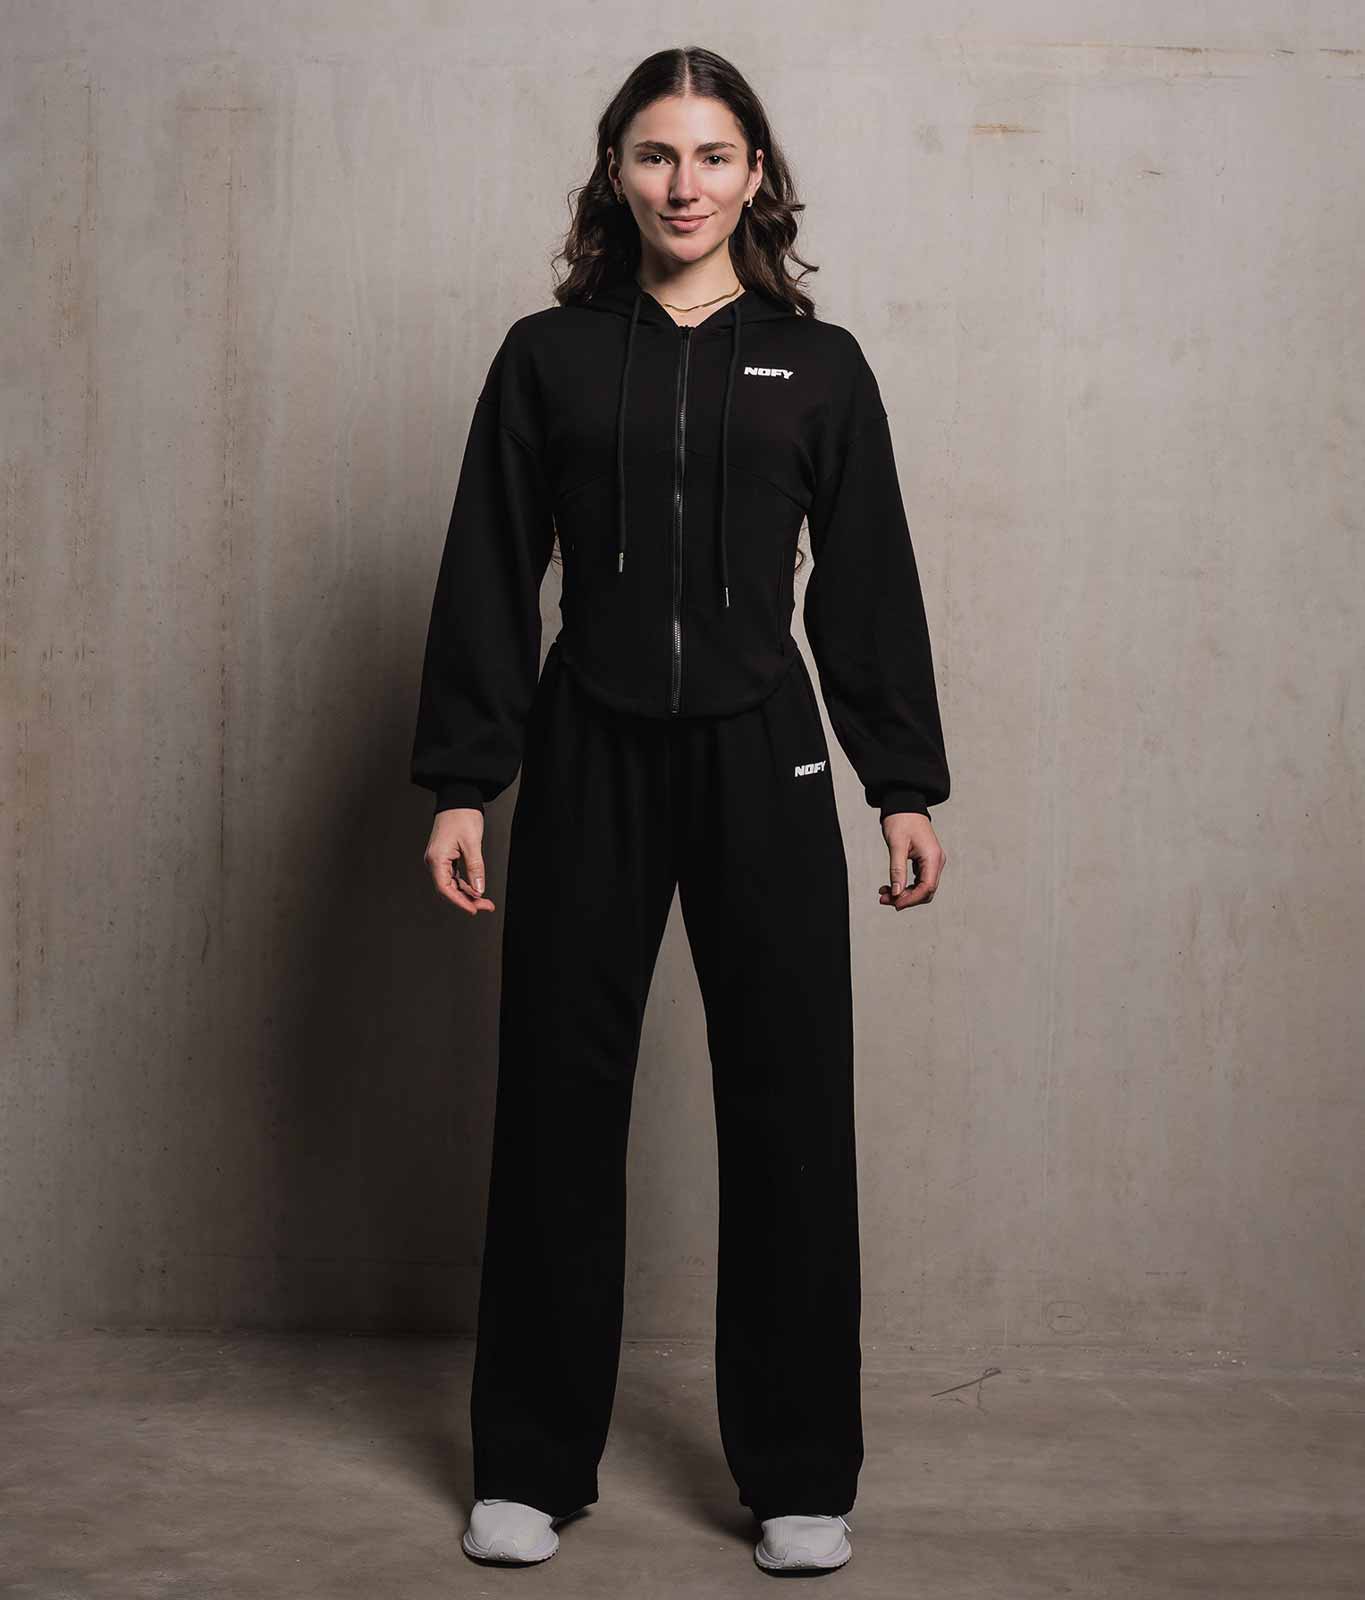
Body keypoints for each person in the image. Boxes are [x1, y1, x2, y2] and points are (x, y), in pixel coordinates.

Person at [410, 44, 950, 1577]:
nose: (684, 184)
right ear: (616, 173)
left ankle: (799, 1477)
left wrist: (899, 780)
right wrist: (464, 782)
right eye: (656, 154)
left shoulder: (817, 364)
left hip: (763, 752)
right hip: (587, 743)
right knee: (556, 1101)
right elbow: (488, 565)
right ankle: (529, 1465)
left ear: (755, 174)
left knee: (790, 1104)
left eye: (713, 156)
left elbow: (865, 582)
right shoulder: (550, 357)